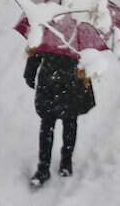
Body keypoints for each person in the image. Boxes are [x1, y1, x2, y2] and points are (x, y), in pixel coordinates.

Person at [23, 50, 95, 187]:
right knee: (65, 123)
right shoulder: (76, 31)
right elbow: (88, 56)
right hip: (64, 83)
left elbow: (37, 49)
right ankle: (63, 164)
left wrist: (30, 73)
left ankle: (46, 167)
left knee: (51, 125)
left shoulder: (49, 30)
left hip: (56, 81)